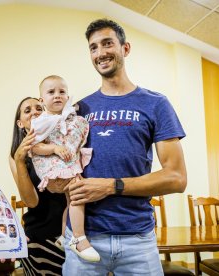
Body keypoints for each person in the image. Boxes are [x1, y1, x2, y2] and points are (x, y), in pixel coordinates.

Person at [62, 19, 187, 275]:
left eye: (108, 44)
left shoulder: (156, 104)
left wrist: (111, 186)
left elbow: (176, 178)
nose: (100, 53)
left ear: (125, 48)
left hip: (137, 240)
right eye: (93, 47)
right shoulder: (79, 110)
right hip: (85, 238)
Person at [29, 75, 98, 262]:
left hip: (67, 166)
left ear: (68, 96)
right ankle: (78, 238)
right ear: (42, 100)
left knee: (71, 201)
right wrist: (54, 148)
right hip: (53, 169)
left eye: (62, 92)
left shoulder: (71, 120)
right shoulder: (41, 121)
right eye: (51, 92)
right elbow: (35, 147)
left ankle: (64, 236)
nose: (57, 95)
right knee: (78, 195)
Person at [9, 97, 67, 275]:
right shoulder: (16, 156)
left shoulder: (63, 142)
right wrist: (20, 161)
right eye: (27, 110)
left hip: (72, 234)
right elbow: (31, 202)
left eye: (39, 108)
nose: (34, 112)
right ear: (20, 123)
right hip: (40, 237)